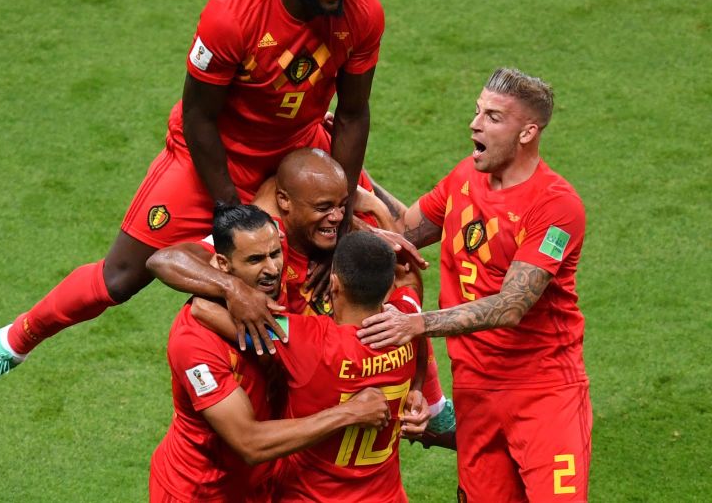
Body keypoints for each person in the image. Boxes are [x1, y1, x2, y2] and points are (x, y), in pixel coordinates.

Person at [0, 0, 386, 409]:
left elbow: (352, 115)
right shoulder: (233, 13)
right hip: (214, 157)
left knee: (360, 254)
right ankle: (11, 343)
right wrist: (228, 209)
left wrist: (342, 210)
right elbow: (199, 117)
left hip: (297, 155)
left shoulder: (363, 11)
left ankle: (424, 403)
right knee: (121, 277)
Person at [357, 68, 592, 502]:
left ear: (528, 132)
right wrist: (359, 185)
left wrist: (418, 323)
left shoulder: (555, 206)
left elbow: (510, 306)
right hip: (475, 390)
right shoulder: (466, 176)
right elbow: (405, 232)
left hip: (543, 394)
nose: (475, 123)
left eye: (493, 117)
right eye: (477, 111)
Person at [149, 147, 455, 441]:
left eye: (342, 205)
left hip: (296, 418)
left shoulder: (308, 341)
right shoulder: (269, 240)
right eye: (324, 208)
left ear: (334, 285)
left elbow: (208, 310)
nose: (337, 217)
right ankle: (438, 406)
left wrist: (368, 216)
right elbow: (164, 259)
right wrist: (234, 289)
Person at [149, 203, 391, 502]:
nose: (273, 269)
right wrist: (349, 413)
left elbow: (293, 192)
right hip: (203, 491)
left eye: (275, 254)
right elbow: (249, 444)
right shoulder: (195, 341)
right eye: (255, 260)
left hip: (267, 484)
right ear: (224, 266)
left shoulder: (268, 258)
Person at [192, 231, 429, 502]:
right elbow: (410, 280)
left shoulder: (308, 339)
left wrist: (232, 290)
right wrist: (417, 387)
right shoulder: (408, 321)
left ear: (334, 284)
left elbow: (202, 309)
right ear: (389, 289)